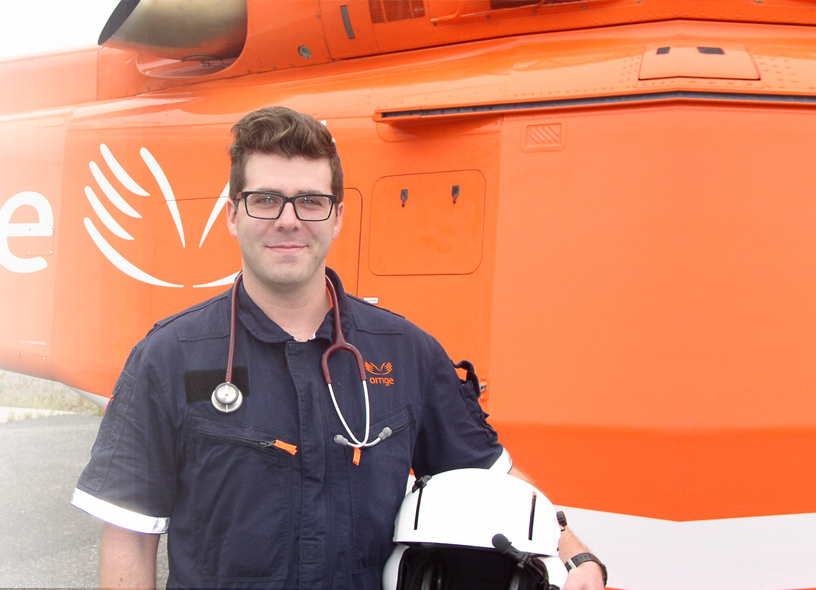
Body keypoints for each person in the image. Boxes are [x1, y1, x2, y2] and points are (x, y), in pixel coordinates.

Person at [70, 106, 605, 589]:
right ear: (233, 215)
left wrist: (575, 555)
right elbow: (130, 536)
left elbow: (491, 476)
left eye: (310, 201)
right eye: (265, 200)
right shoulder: (168, 357)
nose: (287, 220)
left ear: (338, 216)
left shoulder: (407, 352)